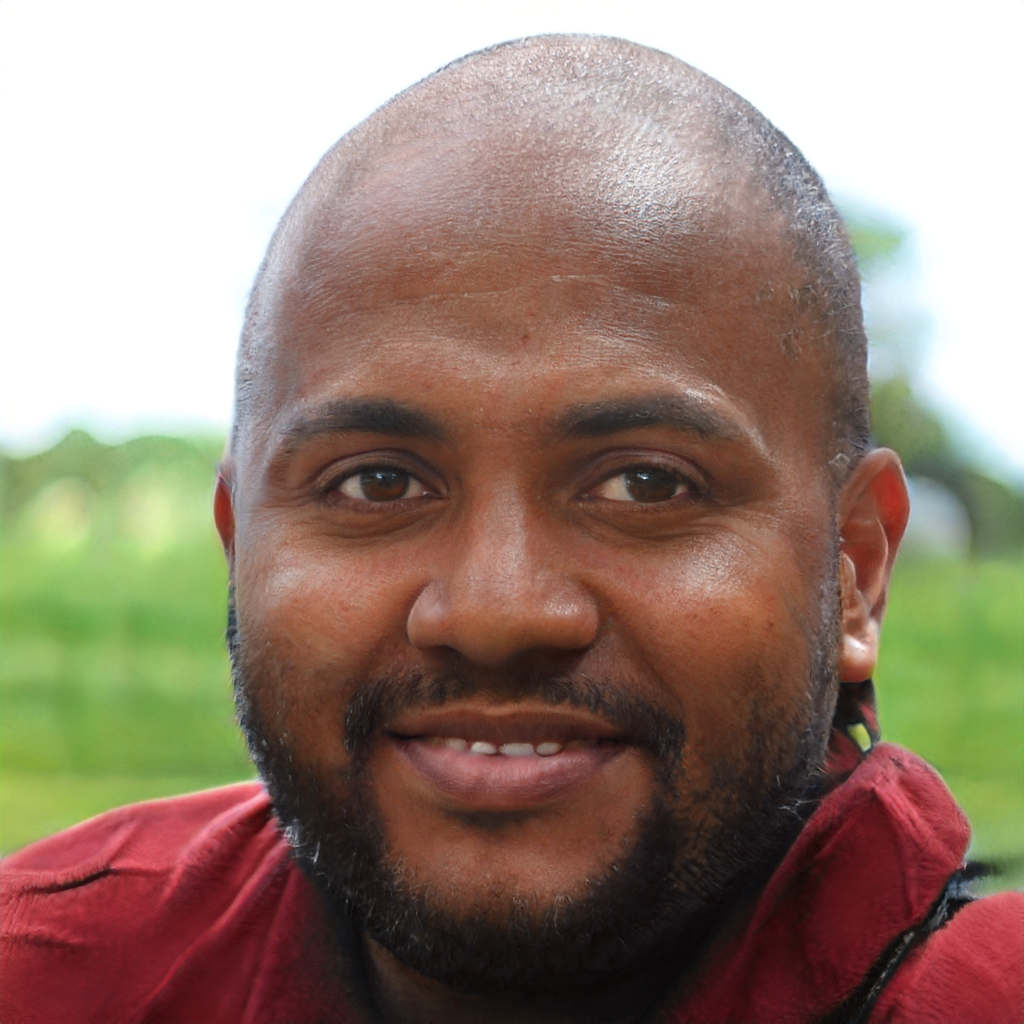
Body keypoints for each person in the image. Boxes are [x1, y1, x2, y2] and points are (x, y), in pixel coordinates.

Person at [2, 35, 1020, 1024]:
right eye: (377, 484)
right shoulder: (45, 976)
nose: (496, 612)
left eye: (645, 485)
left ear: (853, 570)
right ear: (241, 549)